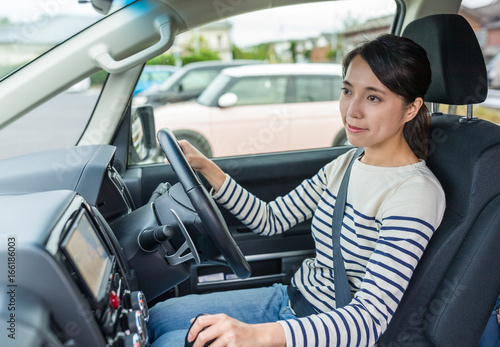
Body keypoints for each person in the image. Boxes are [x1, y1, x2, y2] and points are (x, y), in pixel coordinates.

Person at [147, 34, 446, 347]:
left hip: (327, 333)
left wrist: (255, 335)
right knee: (157, 319)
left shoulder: (414, 193)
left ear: (411, 109)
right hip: (289, 299)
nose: (352, 111)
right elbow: (271, 219)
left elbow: (368, 319)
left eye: (373, 98)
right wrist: (207, 168)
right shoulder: (346, 162)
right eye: (347, 91)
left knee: (170, 343)